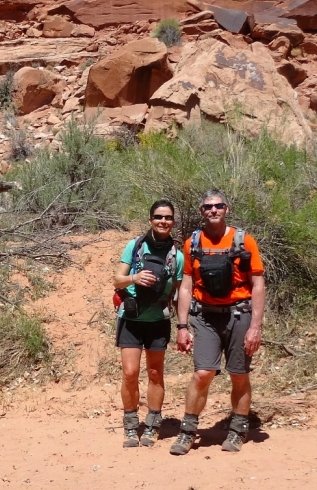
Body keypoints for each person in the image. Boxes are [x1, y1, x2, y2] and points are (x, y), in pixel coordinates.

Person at [170, 189, 265, 455]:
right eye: (208, 207)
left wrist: (255, 326)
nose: (213, 210)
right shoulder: (193, 243)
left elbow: (258, 284)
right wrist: (181, 325)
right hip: (205, 316)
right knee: (203, 373)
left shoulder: (244, 240)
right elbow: (186, 286)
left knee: (238, 374)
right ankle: (188, 430)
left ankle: (237, 430)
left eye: (218, 206)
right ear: (201, 211)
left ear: (227, 209)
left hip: (239, 314)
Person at [112, 199, 185, 448]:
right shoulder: (134, 246)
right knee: (130, 373)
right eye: (158, 217)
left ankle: (153, 424)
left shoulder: (177, 256)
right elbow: (116, 279)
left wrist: (183, 325)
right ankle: (131, 424)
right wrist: (135, 276)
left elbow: (177, 292)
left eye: (168, 218)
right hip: (131, 319)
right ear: (150, 219)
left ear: (173, 222)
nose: (163, 221)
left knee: (155, 373)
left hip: (157, 320)